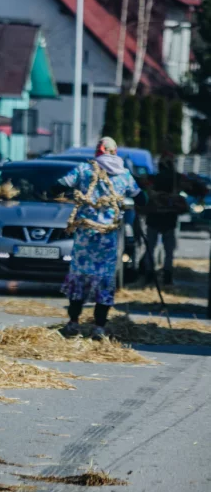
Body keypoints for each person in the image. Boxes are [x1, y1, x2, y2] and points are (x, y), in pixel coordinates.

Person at [56, 137, 148, 341]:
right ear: (114, 152)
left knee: (79, 277)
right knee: (104, 279)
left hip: (84, 239)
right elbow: (142, 198)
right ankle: (99, 327)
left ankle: (73, 323)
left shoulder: (83, 170)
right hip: (107, 238)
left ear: (98, 152)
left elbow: (58, 186)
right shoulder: (124, 174)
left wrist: (68, 195)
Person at [143, 152, 195, 285]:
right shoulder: (176, 178)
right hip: (169, 219)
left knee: (151, 248)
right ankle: (167, 275)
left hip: (153, 218)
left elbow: (143, 189)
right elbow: (191, 188)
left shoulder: (153, 178)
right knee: (169, 250)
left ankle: (149, 274)